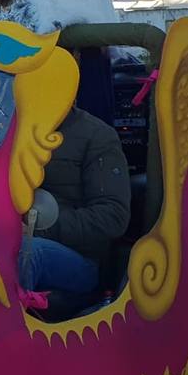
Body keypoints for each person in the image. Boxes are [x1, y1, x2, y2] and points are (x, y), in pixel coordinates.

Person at [20, 104, 131, 298]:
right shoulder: (1, 125)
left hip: (78, 259)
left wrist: (39, 228)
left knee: (26, 252)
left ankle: (2, 326)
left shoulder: (96, 135)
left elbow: (113, 215)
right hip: (2, 234)